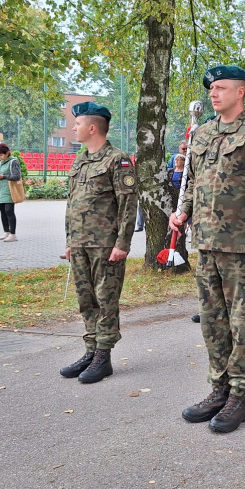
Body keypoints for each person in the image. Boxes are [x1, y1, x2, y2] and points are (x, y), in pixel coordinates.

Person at [169, 65, 245, 433]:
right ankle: (218, 388)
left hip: (242, 248)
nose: (213, 93)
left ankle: (239, 396)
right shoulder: (201, 134)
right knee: (213, 323)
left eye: (221, 88)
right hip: (206, 246)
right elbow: (194, 182)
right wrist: (182, 211)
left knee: (243, 324)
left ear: (240, 92)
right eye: (211, 88)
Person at [59, 102, 137, 385]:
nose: (73, 128)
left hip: (106, 245)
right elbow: (72, 205)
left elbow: (128, 205)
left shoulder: (117, 160)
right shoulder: (80, 160)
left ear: (92, 128)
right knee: (86, 300)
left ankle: (103, 356)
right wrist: (70, 241)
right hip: (80, 244)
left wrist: (122, 244)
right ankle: (91, 350)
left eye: (77, 124)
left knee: (105, 301)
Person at [0, 143, 23, 242]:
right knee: (2, 212)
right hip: (0, 190)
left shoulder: (13, 161)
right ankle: (6, 231)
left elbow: (16, 176)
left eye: (1, 155)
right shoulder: (0, 163)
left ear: (7, 153)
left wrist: (3, 176)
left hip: (9, 190)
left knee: (9, 211)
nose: (0, 157)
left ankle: (13, 234)